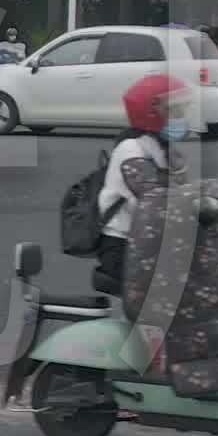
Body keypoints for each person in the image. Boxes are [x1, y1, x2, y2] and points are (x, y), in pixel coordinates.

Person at [90, 73, 183, 299]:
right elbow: (153, 196)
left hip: (147, 242)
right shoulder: (131, 150)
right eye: (175, 110)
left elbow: (184, 189)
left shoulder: (162, 148)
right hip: (123, 248)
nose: (182, 115)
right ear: (152, 112)